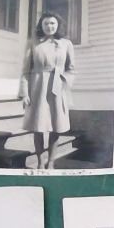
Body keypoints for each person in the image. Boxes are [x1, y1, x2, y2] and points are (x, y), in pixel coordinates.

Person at [21, 11, 76, 170]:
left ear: (57, 25)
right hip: (37, 88)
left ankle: (51, 162)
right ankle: (40, 161)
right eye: (46, 23)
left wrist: (64, 83)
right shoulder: (33, 43)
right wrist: (25, 93)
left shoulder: (66, 44)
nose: (49, 26)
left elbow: (71, 69)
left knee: (56, 127)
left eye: (52, 23)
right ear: (41, 25)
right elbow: (25, 71)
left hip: (57, 89)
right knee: (38, 127)